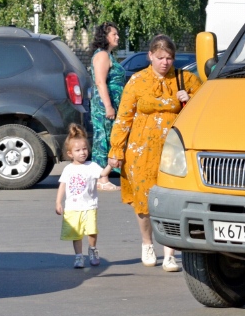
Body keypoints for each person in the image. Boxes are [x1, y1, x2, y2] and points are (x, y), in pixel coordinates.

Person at [107, 34, 201, 272]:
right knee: (143, 203)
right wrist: (116, 149)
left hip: (174, 152)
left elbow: (205, 113)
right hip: (141, 152)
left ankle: (170, 253)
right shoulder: (137, 81)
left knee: (171, 203)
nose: (165, 63)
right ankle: (147, 244)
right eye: (160, 57)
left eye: (169, 58)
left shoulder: (187, 79)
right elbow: (123, 118)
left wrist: (189, 100)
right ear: (150, 56)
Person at [55, 124, 111, 269]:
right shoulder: (68, 169)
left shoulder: (91, 166)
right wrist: (58, 202)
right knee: (76, 234)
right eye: (78, 150)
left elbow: (103, 174)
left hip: (89, 206)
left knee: (91, 231)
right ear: (70, 153)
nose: (82, 153)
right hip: (72, 208)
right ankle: (79, 256)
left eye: (84, 149)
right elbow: (63, 185)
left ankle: (92, 250)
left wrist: (110, 165)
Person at [88, 22, 127, 187]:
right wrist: (109, 106)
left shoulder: (108, 55)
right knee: (104, 139)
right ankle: (101, 178)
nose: (117, 37)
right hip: (105, 106)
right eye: (114, 34)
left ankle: (104, 175)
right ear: (105, 37)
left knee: (112, 138)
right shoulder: (102, 55)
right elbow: (100, 82)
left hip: (112, 104)